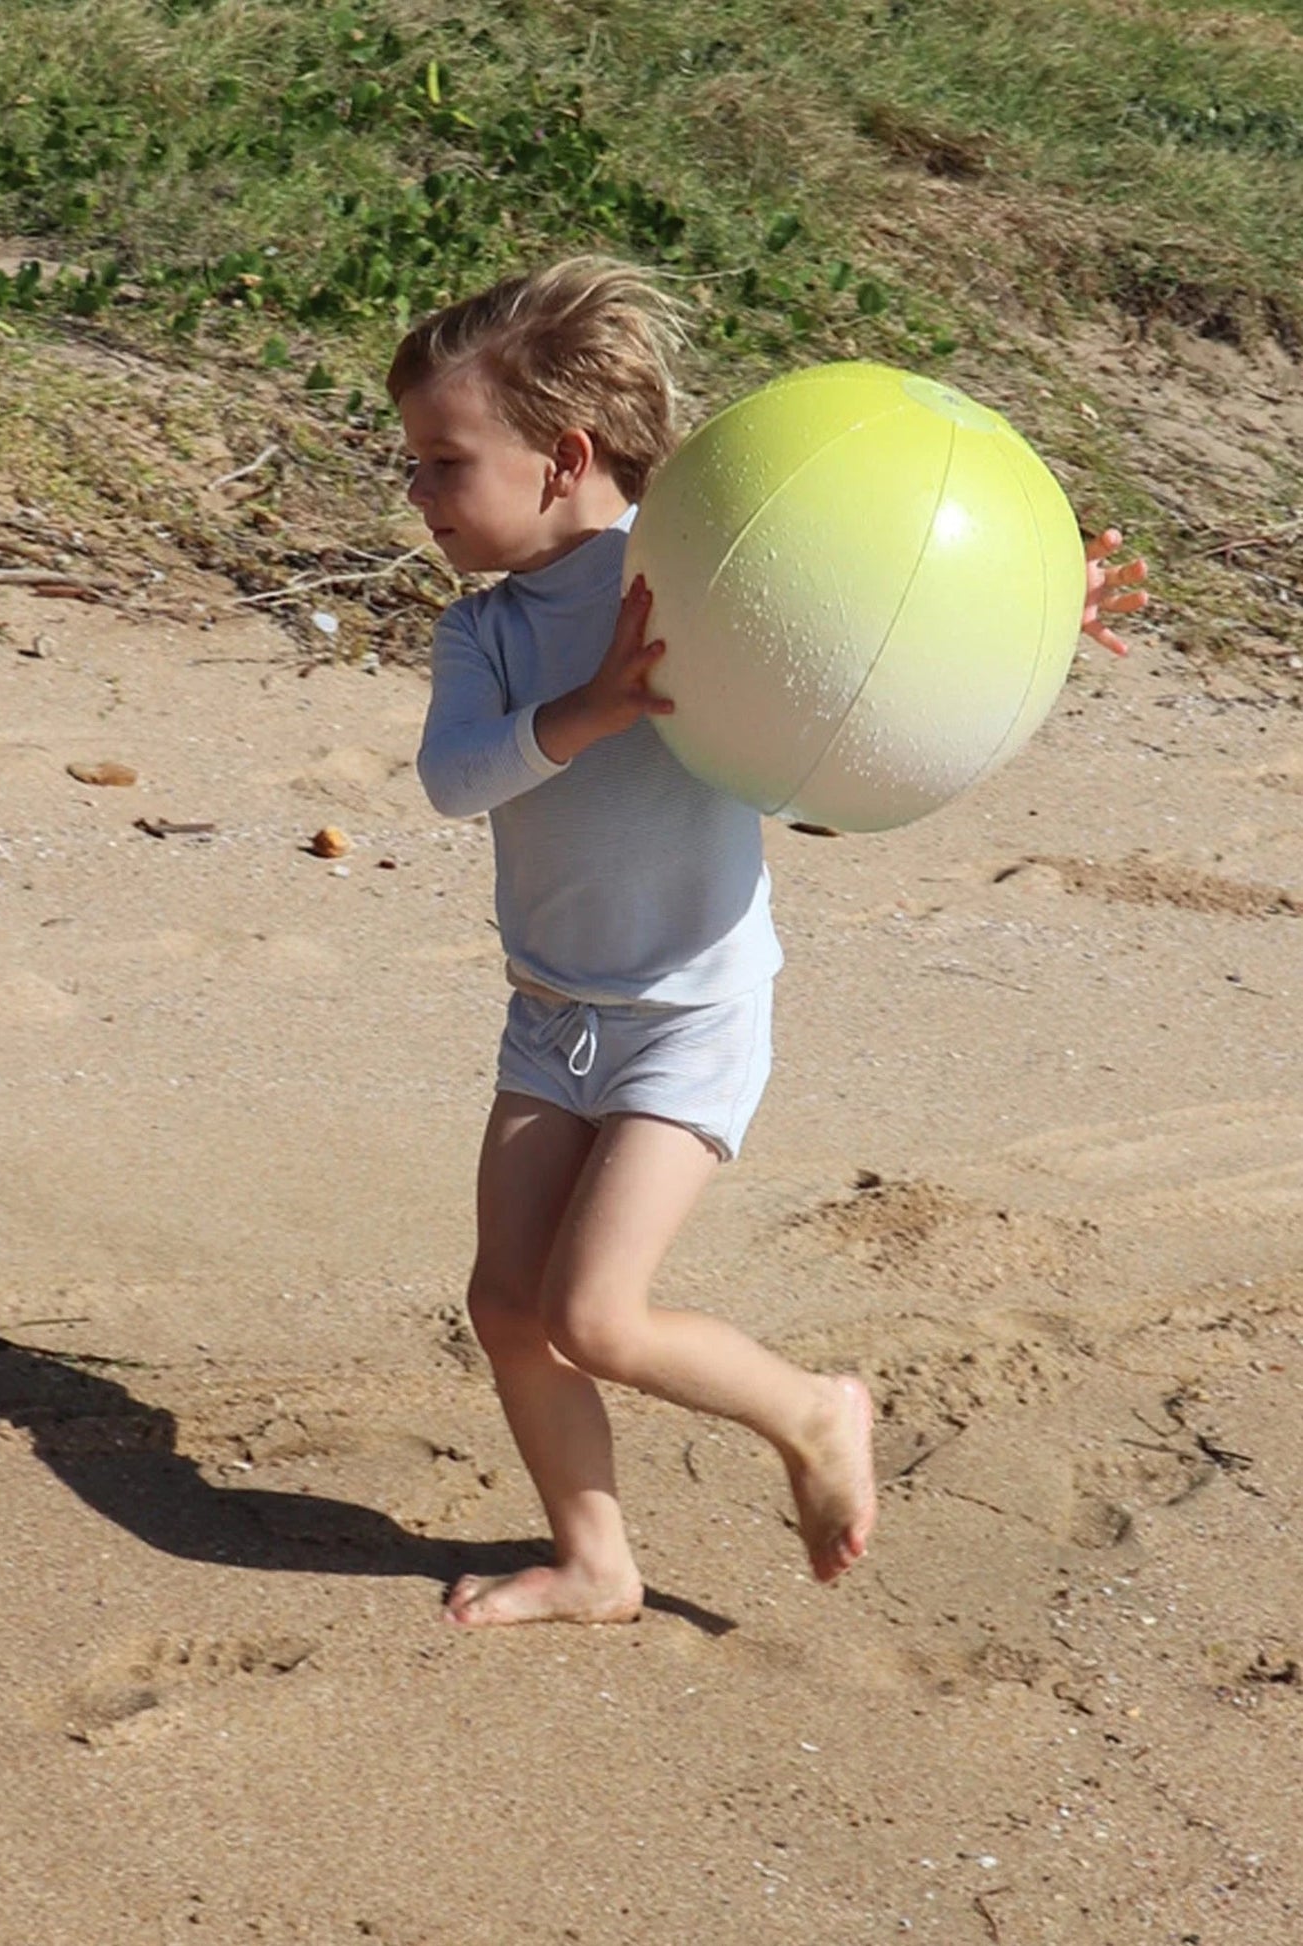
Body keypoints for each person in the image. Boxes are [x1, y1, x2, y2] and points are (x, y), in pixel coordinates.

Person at [389, 256, 1149, 1628]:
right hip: (550, 1010)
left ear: (563, 457)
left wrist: (1009, 619)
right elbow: (455, 780)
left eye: (443, 463)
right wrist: (591, 707)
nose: (419, 496)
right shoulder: (485, 631)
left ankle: (811, 1410)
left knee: (598, 1316)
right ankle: (596, 1560)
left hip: (689, 1008)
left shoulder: (703, 574)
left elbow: (857, 674)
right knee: (507, 1303)